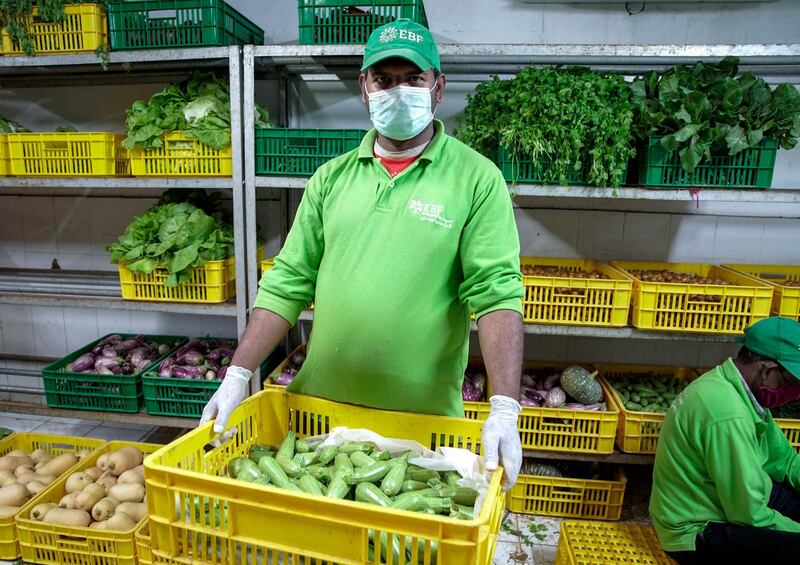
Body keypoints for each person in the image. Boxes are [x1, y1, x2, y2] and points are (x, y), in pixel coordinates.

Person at [200, 19, 525, 489]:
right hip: (321, 416)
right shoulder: (331, 179)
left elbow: (496, 295)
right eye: (384, 79)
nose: (398, 90)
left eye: (413, 79)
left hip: (421, 425)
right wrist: (237, 372)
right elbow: (288, 281)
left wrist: (505, 407)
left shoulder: (477, 179)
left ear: (438, 88)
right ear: (364, 88)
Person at [650, 316, 800, 563]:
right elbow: (751, 515)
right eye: (794, 383)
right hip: (697, 531)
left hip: (726, 498)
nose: (795, 395)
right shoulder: (727, 414)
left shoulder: (740, 391)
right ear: (767, 369)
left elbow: (784, 460)